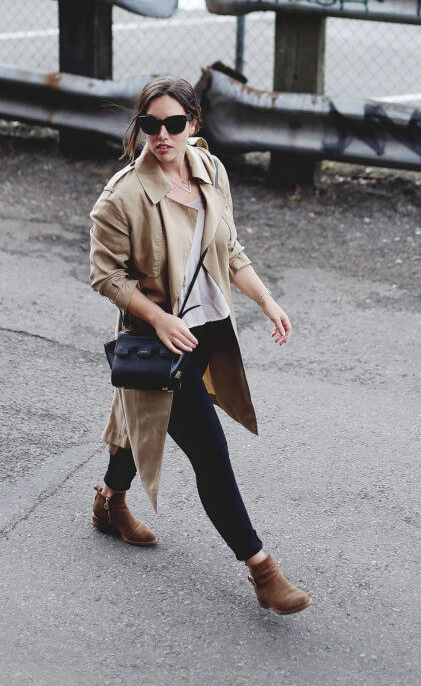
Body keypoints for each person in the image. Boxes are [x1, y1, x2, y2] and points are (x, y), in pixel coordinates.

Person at [89, 76, 311, 615]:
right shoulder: (123, 196)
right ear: (140, 126)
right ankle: (262, 570)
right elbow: (105, 276)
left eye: (173, 124)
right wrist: (159, 317)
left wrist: (266, 300)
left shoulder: (211, 171)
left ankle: (110, 503)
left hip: (207, 332)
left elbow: (229, 247)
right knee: (211, 454)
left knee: (146, 420)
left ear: (194, 123)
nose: (161, 136)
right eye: (150, 125)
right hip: (158, 339)